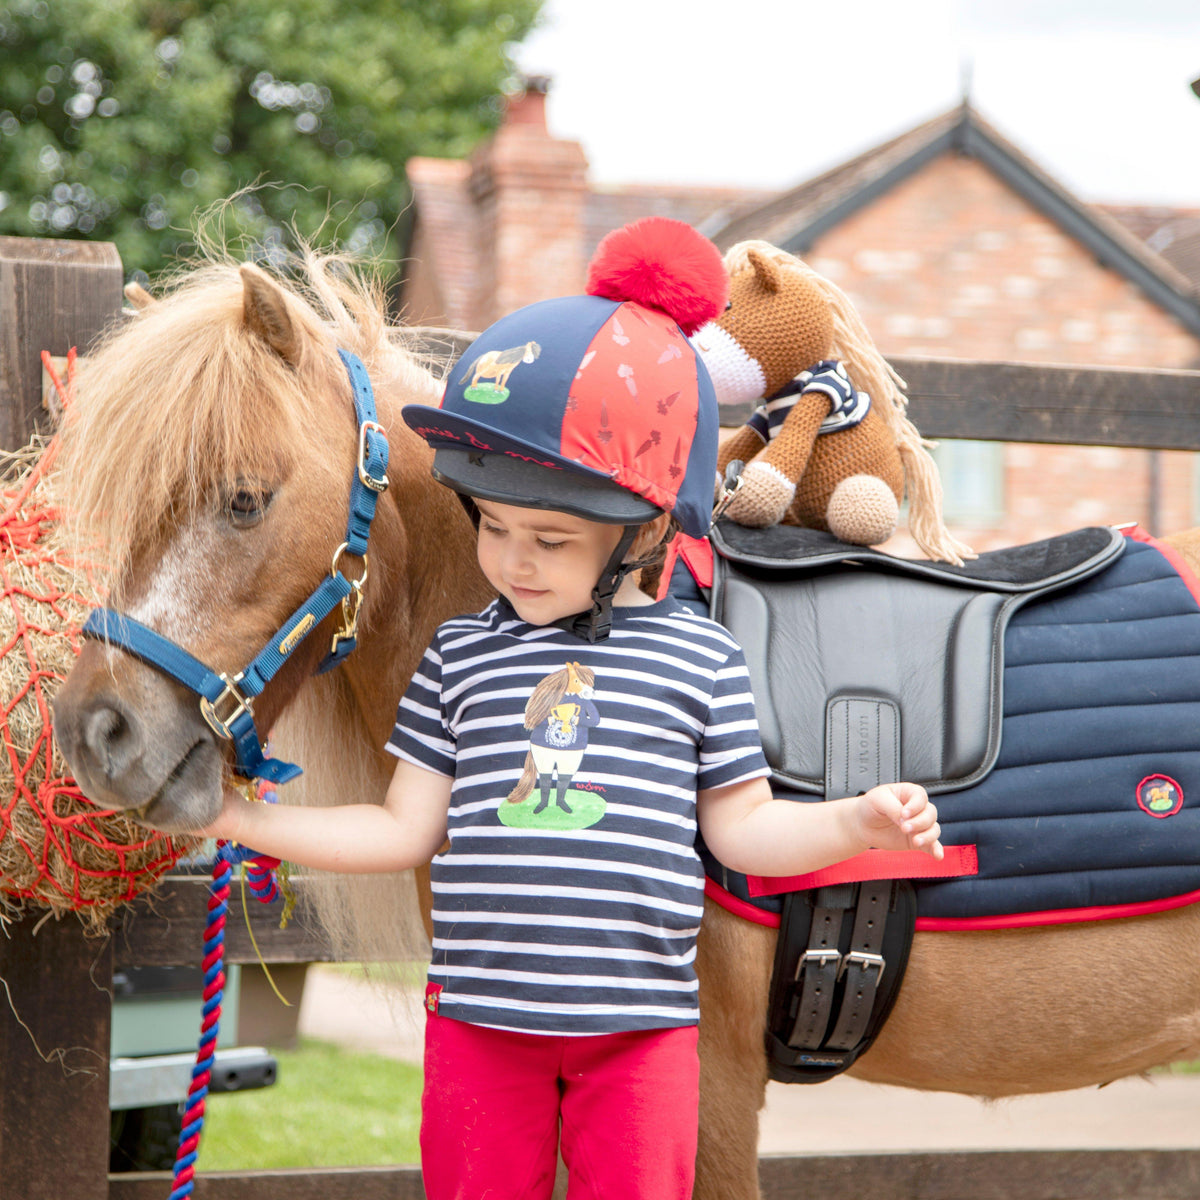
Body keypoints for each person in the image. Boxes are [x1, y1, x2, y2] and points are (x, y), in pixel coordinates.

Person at [198, 219, 942, 1200]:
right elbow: (400, 828)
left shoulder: (700, 659)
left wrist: (854, 823)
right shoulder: (461, 657)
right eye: (494, 526)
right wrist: (239, 818)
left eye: (549, 539)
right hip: (478, 1037)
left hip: (640, 1042)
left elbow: (744, 831)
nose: (511, 561)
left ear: (644, 529)